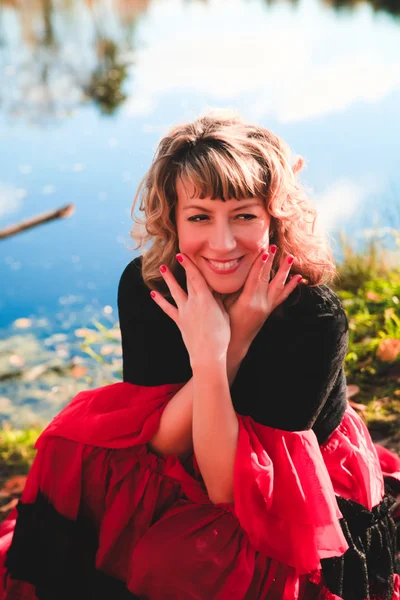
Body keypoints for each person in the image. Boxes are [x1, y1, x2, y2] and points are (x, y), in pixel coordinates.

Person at [0, 110, 399, 600]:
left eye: (245, 215)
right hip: (189, 449)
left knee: (178, 564)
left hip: (288, 484)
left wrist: (219, 350)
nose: (223, 243)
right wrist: (220, 347)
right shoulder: (150, 284)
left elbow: (225, 488)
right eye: (199, 217)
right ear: (172, 218)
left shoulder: (312, 317)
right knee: (74, 462)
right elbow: (163, 444)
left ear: (275, 217)